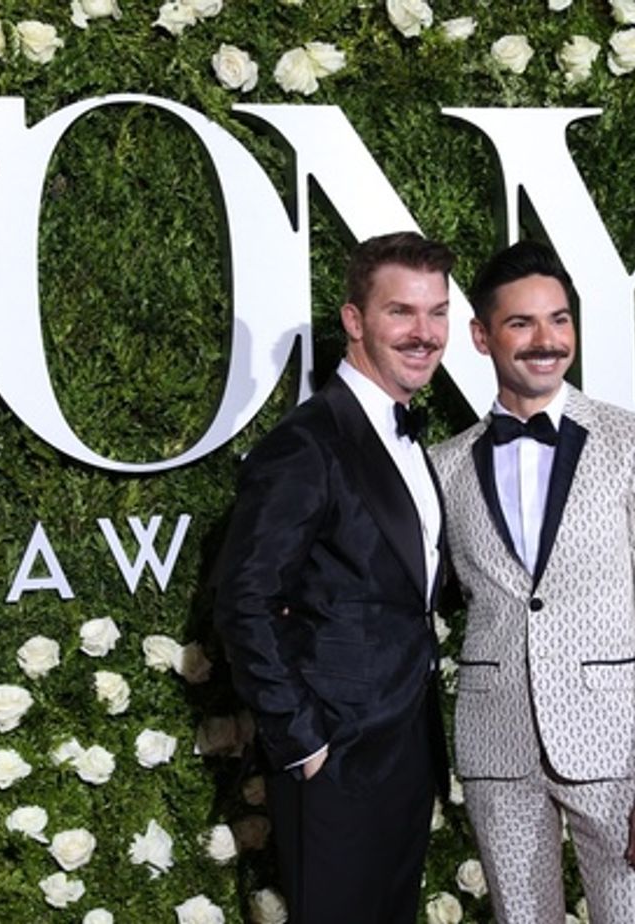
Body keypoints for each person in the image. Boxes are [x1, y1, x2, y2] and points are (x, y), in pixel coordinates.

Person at [430, 240, 635, 923]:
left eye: (559, 320)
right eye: (522, 324)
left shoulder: (634, 442)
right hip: (499, 749)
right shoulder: (446, 466)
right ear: (482, 336)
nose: (546, 341)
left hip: (616, 750)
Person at [214, 231, 454, 924]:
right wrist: (307, 744)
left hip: (406, 746)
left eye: (436, 312)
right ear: (354, 320)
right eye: (401, 312)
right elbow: (246, 599)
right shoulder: (306, 444)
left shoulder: (403, 432)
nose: (424, 333)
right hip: (340, 757)